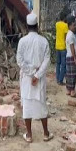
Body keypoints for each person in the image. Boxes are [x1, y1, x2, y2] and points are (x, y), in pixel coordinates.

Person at [16, 12, 53, 143]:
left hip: (27, 78)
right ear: (37, 26)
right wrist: (37, 75)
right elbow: (47, 60)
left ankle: (29, 135)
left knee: (27, 105)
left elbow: (19, 61)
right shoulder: (44, 41)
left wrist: (31, 73)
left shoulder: (22, 41)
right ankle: (46, 133)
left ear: (27, 26)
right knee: (41, 104)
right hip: (39, 77)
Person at [65, 16, 76, 98]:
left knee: (69, 74)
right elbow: (72, 47)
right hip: (72, 56)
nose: (75, 27)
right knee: (72, 74)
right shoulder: (70, 35)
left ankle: (68, 89)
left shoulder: (70, 34)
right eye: (74, 25)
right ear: (70, 25)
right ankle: (72, 91)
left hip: (71, 56)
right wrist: (75, 58)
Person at [55, 12, 68, 86]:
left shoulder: (57, 24)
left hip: (57, 46)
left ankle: (57, 78)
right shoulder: (65, 25)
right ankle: (60, 80)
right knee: (63, 64)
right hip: (63, 47)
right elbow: (66, 37)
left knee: (58, 63)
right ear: (64, 18)